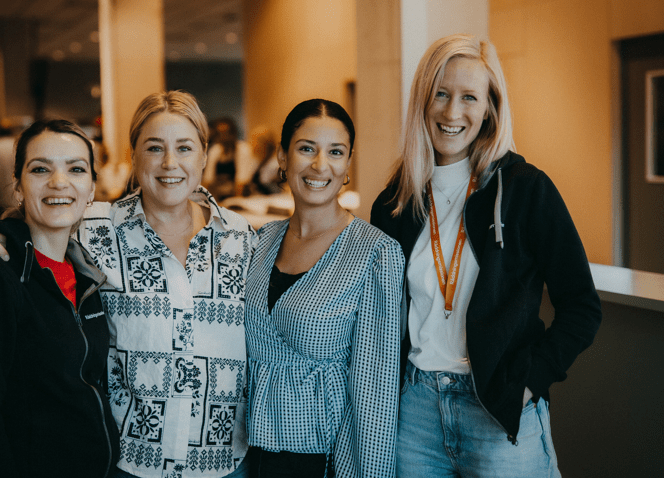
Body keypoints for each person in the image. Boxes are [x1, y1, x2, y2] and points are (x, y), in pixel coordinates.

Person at [0, 91, 256, 478]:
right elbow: (39, 219)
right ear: (133, 156)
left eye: (184, 147)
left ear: (204, 155)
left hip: (223, 460)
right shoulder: (97, 227)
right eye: (154, 147)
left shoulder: (241, 236)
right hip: (130, 461)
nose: (170, 163)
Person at [370, 34, 602, 477]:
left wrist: (529, 383)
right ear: (422, 100)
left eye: (469, 97)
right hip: (415, 414)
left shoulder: (525, 190)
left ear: (490, 109)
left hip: (497, 414)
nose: (452, 112)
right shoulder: (395, 203)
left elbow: (582, 307)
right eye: (440, 94)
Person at [0, 119, 120, 478]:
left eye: (76, 169)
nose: (59, 182)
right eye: (40, 169)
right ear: (18, 187)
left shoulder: (85, 272)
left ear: (91, 189)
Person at [245, 99, 404, 477]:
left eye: (335, 152)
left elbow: (375, 390)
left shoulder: (375, 254)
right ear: (282, 157)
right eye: (306, 149)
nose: (320, 165)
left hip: (324, 458)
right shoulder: (260, 241)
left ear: (348, 163)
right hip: (252, 450)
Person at [202, 117, 257, 199]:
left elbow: (241, 181)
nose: (223, 137)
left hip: (242, 196)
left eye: (225, 133)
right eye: (219, 134)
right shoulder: (215, 150)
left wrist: (236, 202)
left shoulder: (243, 149)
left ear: (233, 134)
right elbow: (208, 180)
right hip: (219, 197)